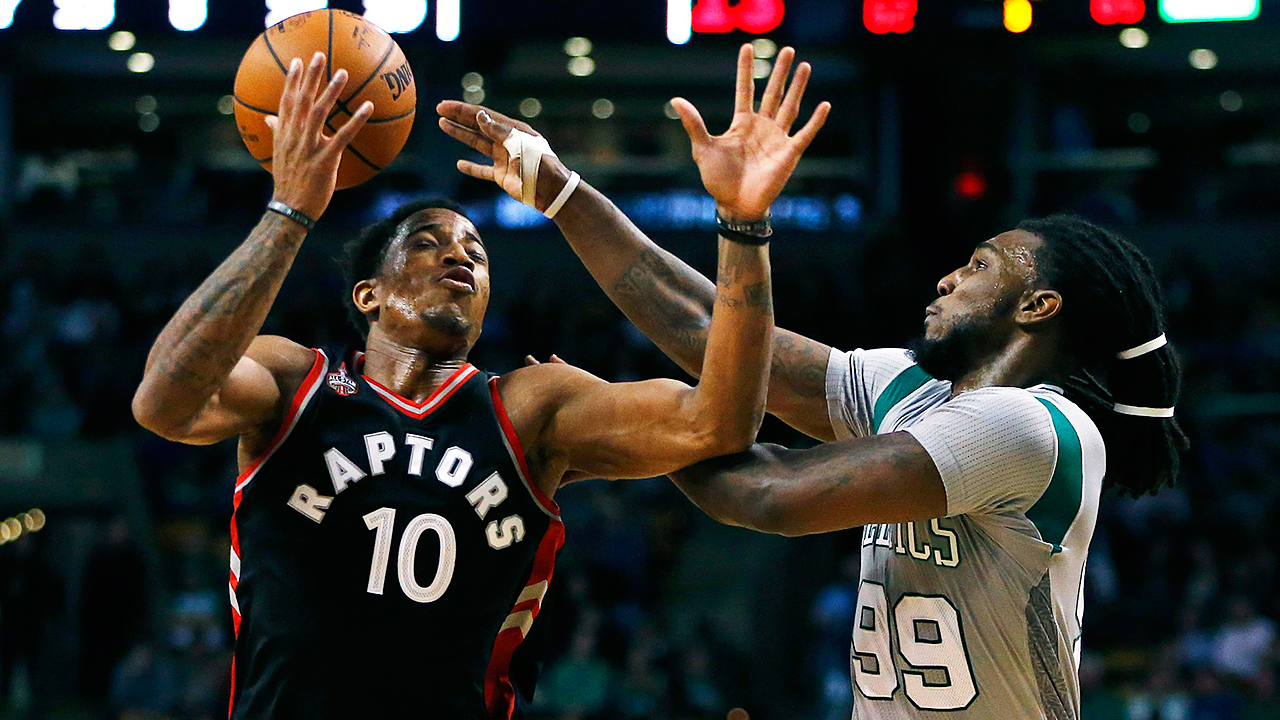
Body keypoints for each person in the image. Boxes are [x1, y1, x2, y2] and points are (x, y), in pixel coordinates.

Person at [444, 48, 1188, 717]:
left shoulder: (1033, 428)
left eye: (981, 266)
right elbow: (710, 329)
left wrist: (593, 424)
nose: (948, 276)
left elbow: (768, 495)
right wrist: (568, 195)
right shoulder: (913, 388)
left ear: (1038, 307)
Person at [132, 47, 827, 720]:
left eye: (476, 252)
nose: (458, 255)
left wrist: (742, 224)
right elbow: (162, 401)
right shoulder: (294, 383)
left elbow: (722, 423)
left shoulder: (531, 409)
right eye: (429, 241)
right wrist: (289, 212)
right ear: (368, 295)